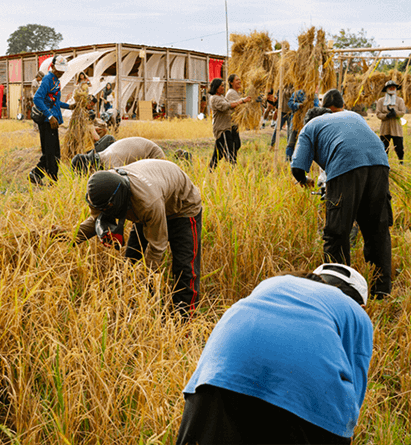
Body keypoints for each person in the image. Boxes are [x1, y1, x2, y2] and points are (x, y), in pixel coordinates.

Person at [176, 264, 372, 445]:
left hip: (216, 380)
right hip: (305, 399)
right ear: (361, 305)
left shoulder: (272, 284)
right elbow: (353, 394)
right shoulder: (356, 313)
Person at [291, 90, 392, 299]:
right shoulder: (353, 115)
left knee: (337, 233)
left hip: (345, 167)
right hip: (380, 163)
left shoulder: (309, 127)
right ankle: (381, 290)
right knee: (377, 229)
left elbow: (297, 168)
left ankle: (339, 292)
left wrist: (304, 181)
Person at [75, 160, 202, 315]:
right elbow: (96, 220)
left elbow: (157, 246)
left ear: (117, 200)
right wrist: (70, 238)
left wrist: (145, 278)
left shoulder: (147, 203)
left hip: (182, 206)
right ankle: (133, 310)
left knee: (184, 268)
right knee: (130, 261)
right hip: (149, 200)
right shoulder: (101, 190)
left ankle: (184, 322)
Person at [29, 56, 75, 185]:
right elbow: (37, 98)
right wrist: (49, 117)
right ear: (53, 67)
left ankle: (35, 175)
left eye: (62, 70)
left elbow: (54, 101)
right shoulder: (48, 79)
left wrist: (69, 106)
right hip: (46, 122)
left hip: (52, 122)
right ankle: (52, 181)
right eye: (59, 70)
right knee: (52, 154)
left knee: (52, 153)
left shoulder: (56, 80)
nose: (61, 72)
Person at [208, 77, 250, 170]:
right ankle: (232, 170)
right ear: (216, 87)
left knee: (219, 154)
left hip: (226, 128)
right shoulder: (214, 99)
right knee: (230, 151)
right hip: (222, 130)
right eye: (221, 86)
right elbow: (227, 106)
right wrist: (242, 101)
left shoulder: (221, 97)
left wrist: (243, 100)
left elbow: (231, 103)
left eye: (223, 86)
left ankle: (211, 170)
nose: (223, 88)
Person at [71, 136, 164, 173]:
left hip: (154, 156)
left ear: (91, 167)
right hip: (145, 150)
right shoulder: (103, 154)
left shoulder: (112, 163)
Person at [375, 80, 407, 163]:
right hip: (385, 128)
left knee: (399, 148)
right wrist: (386, 115)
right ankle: (383, 163)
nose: (392, 88)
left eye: (394, 87)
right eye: (390, 87)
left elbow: (402, 112)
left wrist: (395, 113)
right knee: (384, 148)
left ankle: (401, 163)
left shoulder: (400, 100)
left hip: (396, 128)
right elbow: (378, 113)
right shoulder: (381, 101)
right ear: (386, 89)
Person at [270, 84, 293, 148]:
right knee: (276, 129)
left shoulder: (293, 88)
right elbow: (278, 98)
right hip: (282, 112)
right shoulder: (281, 86)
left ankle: (289, 147)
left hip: (290, 113)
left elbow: (289, 94)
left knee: (290, 131)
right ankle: (272, 145)